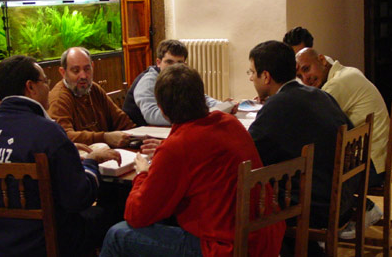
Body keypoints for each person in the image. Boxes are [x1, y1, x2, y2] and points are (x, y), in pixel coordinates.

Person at [100, 64, 285, 257]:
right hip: (264, 239)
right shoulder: (229, 122)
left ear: (162, 110)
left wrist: (143, 172)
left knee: (118, 235)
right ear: (201, 96)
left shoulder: (178, 147)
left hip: (226, 248)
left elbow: (136, 215)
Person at [0, 55, 121, 256]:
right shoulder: (47, 131)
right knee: (115, 213)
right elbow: (78, 198)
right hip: (43, 242)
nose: (49, 88)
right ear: (30, 87)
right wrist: (90, 163)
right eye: (45, 82)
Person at [246, 41, 356, 255]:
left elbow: (249, 154)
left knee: (252, 198)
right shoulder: (321, 95)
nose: (251, 78)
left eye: (252, 72)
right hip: (343, 197)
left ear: (266, 76)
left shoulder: (277, 106)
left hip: (317, 206)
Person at [295, 47, 388, 234]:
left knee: (312, 173)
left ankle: (358, 210)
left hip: (372, 167)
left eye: (307, 69)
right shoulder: (347, 71)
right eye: (300, 75)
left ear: (322, 60)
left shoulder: (336, 85)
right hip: (378, 157)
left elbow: (312, 122)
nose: (305, 78)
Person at [122, 39, 227, 126]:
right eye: (169, 62)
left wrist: (223, 106)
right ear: (158, 63)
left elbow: (199, 98)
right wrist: (192, 116)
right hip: (138, 134)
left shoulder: (180, 77)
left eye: (179, 63)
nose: (174, 67)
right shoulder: (148, 81)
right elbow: (152, 115)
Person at [49, 47, 135, 147]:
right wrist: (104, 137)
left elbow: (121, 120)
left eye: (87, 69)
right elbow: (64, 136)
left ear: (92, 67)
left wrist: (138, 137)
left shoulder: (94, 89)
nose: (83, 76)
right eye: (76, 71)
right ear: (63, 72)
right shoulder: (59, 98)